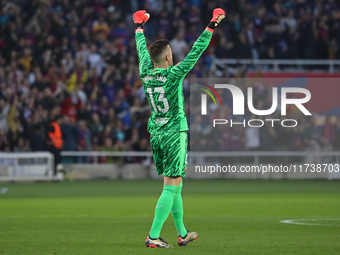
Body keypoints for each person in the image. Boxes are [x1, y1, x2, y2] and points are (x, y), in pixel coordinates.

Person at [133, 8, 225, 248]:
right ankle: (153, 236)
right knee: (171, 184)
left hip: (157, 132)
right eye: (171, 53)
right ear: (166, 58)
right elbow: (196, 51)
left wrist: (138, 27)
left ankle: (182, 233)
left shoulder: (146, 71)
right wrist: (212, 24)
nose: (173, 55)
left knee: (174, 184)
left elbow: (142, 49)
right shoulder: (173, 75)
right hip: (175, 132)